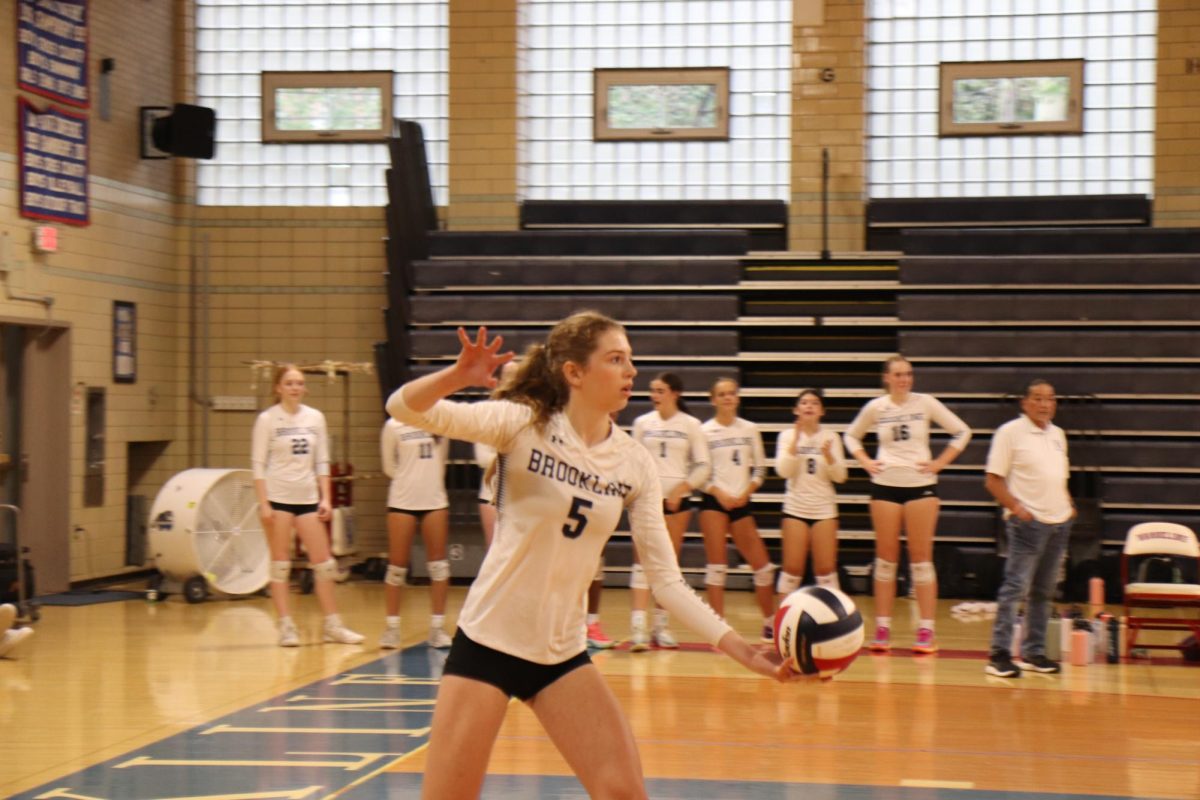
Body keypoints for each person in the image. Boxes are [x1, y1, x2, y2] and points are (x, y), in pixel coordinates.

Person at [385, 314, 805, 799]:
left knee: (622, 792)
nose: (631, 370)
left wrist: (748, 654)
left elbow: (667, 583)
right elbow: (403, 407)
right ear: (574, 373)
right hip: (489, 643)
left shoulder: (634, 463)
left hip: (560, 655)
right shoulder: (522, 422)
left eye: (630, 359)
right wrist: (457, 378)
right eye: (615, 359)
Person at [843, 356, 971, 654]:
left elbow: (962, 431)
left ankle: (926, 630)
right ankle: (883, 628)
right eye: (898, 374)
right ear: (886, 378)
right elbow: (851, 436)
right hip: (885, 485)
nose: (904, 379)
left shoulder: (925, 402)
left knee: (921, 560)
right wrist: (865, 461)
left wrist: (939, 463)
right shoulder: (877, 407)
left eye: (909, 374)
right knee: (886, 560)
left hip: (920, 486)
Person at [252, 364, 364, 647]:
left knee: (324, 564)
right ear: (278, 387)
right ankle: (286, 626)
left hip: (307, 499)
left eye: (299, 383)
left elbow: (322, 460)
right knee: (280, 565)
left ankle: (333, 625)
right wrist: (264, 503)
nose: (295, 387)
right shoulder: (268, 420)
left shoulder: (315, 417)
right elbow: (258, 464)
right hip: (278, 499)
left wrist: (325, 497)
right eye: (289, 383)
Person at [984, 380, 1074, 678]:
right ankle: (999, 654)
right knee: (1015, 588)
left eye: (1050, 398)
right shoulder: (1010, 433)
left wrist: (1069, 506)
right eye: (1037, 398)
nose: (1044, 404)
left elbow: (1058, 477)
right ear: (1025, 403)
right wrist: (1018, 509)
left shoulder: (1059, 435)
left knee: (1044, 591)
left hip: (1058, 523)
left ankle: (1035, 652)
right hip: (1028, 523)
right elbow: (993, 480)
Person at [629, 372, 710, 650]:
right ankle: (638, 628)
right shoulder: (642, 423)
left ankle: (660, 627)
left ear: (675, 393)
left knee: (667, 566)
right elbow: (633, 461)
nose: (655, 396)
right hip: (646, 501)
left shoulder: (691, 425)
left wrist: (683, 488)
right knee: (641, 564)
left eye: (660, 390)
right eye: (653, 390)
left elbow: (703, 465)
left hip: (677, 503)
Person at [698, 377, 776, 641]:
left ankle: (770, 623)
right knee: (717, 566)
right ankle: (718, 628)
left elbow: (761, 468)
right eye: (722, 394)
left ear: (737, 398)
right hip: (713, 502)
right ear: (713, 399)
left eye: (731, 393)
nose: (727, 398)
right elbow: (697, 470)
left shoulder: (749, 429)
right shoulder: (704, 431)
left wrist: (746, 492)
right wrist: (717, 492)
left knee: (763, 567)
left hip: (741, 501)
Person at [379, 417, 453, 650]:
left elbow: (441, 462)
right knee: (397, 567)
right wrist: (409, 479)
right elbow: (388, 466)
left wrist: (428, 485)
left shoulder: (439, 423)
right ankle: (392, 628)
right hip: (402, 500)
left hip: (434, 500)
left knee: (439, 566)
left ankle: (437, 628)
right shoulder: (393, 426)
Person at [774, 389, 848, 601]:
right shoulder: (787, 436)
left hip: (824, 510)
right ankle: (782, 621)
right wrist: (795, 445)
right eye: (804, 403)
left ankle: (834, 622)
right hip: (795, 509)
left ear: (822, 411)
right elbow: (783, 471)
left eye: (814, 403)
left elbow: (841, 476)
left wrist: (829, 457)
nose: (809, 406)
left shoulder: (831, 437)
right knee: (791, 569)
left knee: (826, 571)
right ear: (796, 409)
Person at [474, 361, 520, 548]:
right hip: (491, 495)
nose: (512, 380)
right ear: (498, 380)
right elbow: (483, 459)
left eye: (517, 375)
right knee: (495, 559)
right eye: (508, 375)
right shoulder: (487, 413)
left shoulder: (534, 413)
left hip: (523, 498)